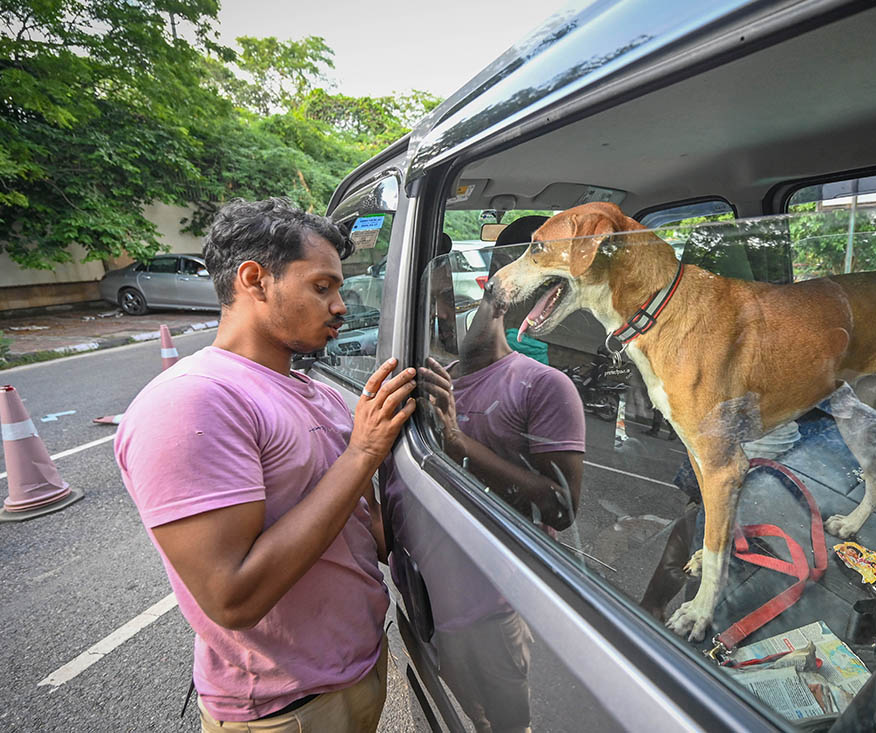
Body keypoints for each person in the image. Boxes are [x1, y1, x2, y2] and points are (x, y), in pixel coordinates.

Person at [115, 197, 416, 732]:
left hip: (358, 669)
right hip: (283, 709)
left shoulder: (315, 393)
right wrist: (363, 453)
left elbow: (361, 527)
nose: (340, 305)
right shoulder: (194, 401)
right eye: (322, 287)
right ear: (254, 279)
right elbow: (233, 597)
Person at [408, 228, 585, 732]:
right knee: (464, 713)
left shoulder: (542, 385)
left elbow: (562, 509)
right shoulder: (432, 377)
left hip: (496, 604)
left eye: (459, 298)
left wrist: (459, 443)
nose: (448, 314)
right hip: (431, 593)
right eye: (439, 303)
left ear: (499, 297)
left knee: (508, 719)